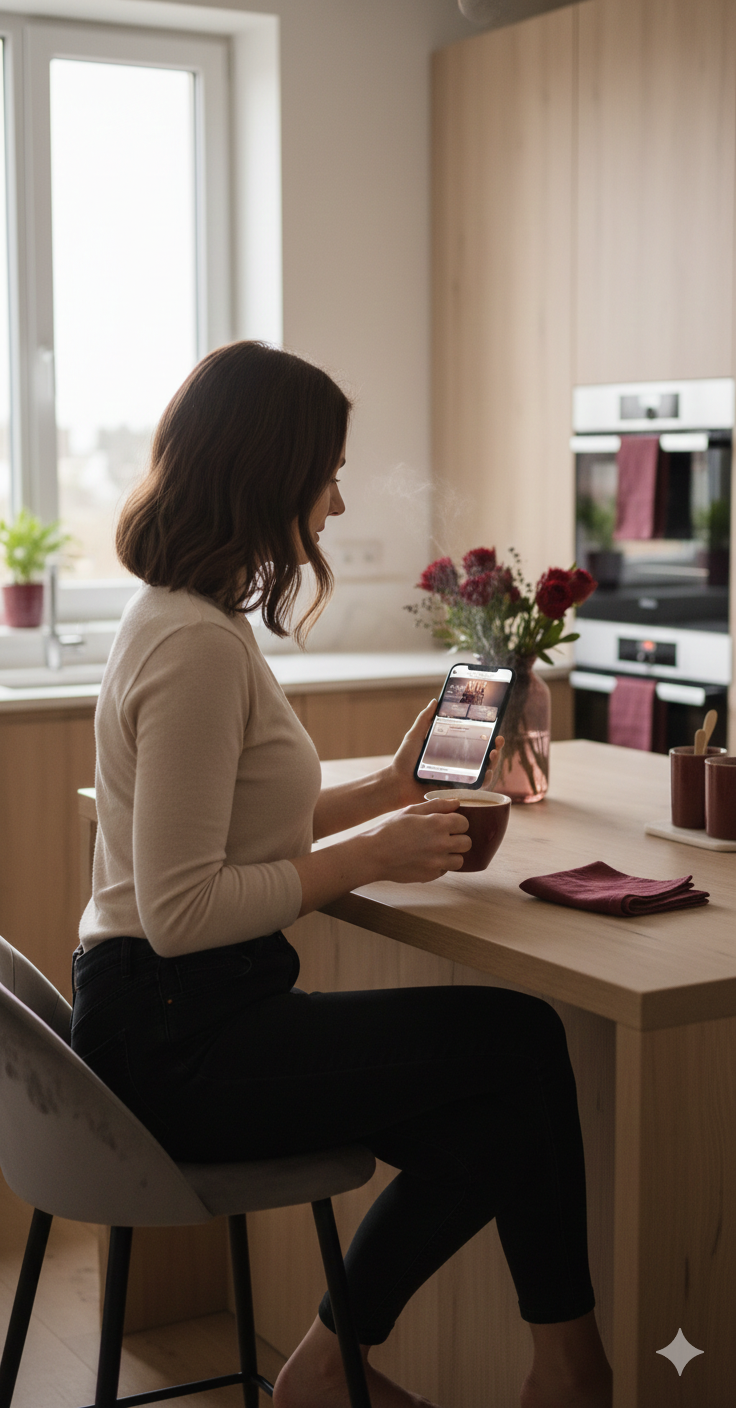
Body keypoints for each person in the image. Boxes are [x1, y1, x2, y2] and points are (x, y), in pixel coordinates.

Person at [71, 341, 612, 1408]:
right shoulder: (192, 646)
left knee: (498, 1120)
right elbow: (182, 913)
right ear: (269, 470)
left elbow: (231, 832)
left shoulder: (195, 622)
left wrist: (389, 789)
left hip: (181, 1017)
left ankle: (331, 1366)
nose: (337, 497)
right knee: (518, 1037)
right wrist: (362, 858)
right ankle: (566, 1367)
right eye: (326, 468)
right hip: (179, 1037)